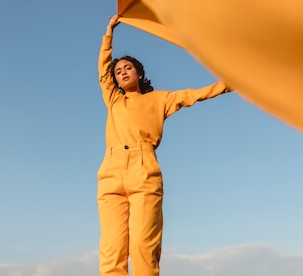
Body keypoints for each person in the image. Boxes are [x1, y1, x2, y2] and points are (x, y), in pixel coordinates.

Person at [97, 14, 231, 276]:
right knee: (112, 250)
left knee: (143, 248)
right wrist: (109, 33)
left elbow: (196, 94)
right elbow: (103, 69)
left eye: (127, 68)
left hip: (143, 169)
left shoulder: (161, 100)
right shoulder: (113, 99)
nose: (122, 72)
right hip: (110, 172)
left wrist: (233, 83)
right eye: (118, 71)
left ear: (138, 72)